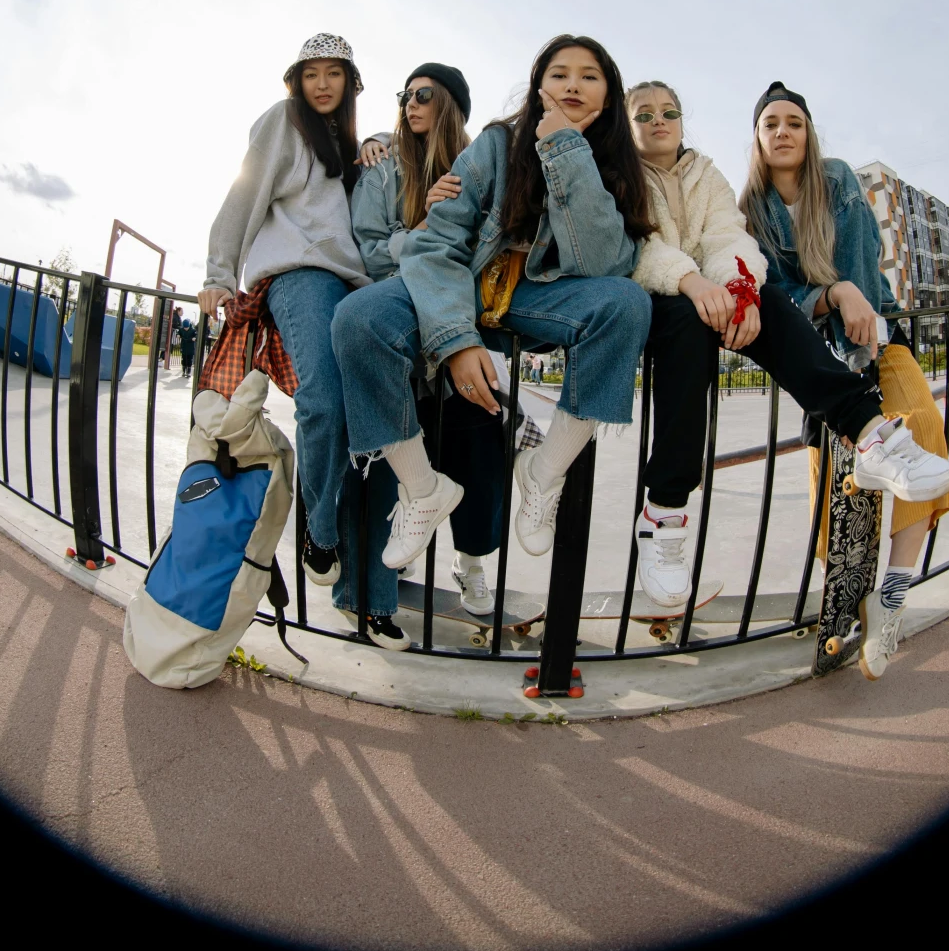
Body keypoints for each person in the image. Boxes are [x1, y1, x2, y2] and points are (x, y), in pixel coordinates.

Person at [332, 35, 654, 579]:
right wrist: (455, 339)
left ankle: (545, 473)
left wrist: (565, 150)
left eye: (589, 75)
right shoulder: (496, 144)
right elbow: (438, 241)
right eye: (558, 74)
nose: (572, 84)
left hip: (538, 296)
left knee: (626, 304)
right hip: (462, 284)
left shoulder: (616, 164)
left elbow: (605, 264)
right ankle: (421, 487)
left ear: (609, 92)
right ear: (537, 85)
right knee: (359, 318)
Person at [625, 81, 934, 619]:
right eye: (643, 114)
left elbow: (729, 239)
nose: (658, 120)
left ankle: (868, 436)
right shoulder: (622, 177)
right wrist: (699, 284)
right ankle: (665, 514)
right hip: (668, 301)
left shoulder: (713, 175)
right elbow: (640, 246)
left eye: (669, 111)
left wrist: (743, 292)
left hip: (843, 331)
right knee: (690, 325)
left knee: (764, 301)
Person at [739, 82, 949, 679]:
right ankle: (846, 612)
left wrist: (850, 306)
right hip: (817, 357)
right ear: (757, 139)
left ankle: (891, 599)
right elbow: (773, 294)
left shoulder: (835, 179)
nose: (783, 132)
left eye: (794, 123)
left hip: (874, 342)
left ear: (809, 136)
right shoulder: (749, 213)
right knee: (836, 490)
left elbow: (861, 269)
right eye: (770, 124)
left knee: (925, 430)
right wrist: (829, 294)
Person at [199, 33, 395, 647]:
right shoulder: (283, 121)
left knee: (376, 424)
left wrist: (376, 149)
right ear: (296, 81)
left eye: (334, 73)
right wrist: (217, 274)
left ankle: (364, 592)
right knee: (325, 400)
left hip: (353, 281)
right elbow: (246, 192)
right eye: (310, 73)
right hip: (300, 275)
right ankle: (320, 531)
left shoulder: (345, 144)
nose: (321, 84)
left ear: (350, 83)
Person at [349, 62, 515, 618]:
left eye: (422, 95)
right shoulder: (382, 165)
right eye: (404, 96)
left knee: (480, 448)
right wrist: (423, 230)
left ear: (450, 104)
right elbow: (369, 249)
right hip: (402, 319)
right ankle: (380, 570)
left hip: (462, 321)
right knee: (396, 444)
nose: (409, 105)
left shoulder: (479, 167)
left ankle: (471, 563)